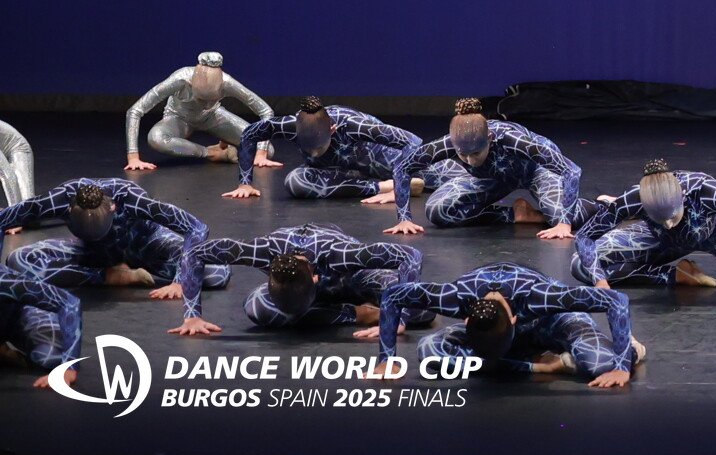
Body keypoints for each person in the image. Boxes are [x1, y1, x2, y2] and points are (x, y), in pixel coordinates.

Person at [375, 262, 640, 389]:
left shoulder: (539, 297)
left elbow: (616, 300)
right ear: (466, 320)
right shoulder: (454, 298)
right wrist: (387, 359)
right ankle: (546, 364)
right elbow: (393, 296)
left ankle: (633, 349)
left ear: (513, 320)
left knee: (602, 365)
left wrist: (620, 366)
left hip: (551, 321)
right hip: (498, 336)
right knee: (428, 351)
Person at [570, 159, 716, 302]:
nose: (669, 224)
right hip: (659, 240)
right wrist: (601, 283)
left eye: (672, 217)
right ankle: (676, 275)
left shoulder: (707, 192)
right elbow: (584, 237)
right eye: (661, 219)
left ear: (682, 198)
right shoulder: (634, 199)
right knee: (581, 266)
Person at [170, 226, 423, 337]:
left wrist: (399, 320)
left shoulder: (340, 255)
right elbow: (194, 253)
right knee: (256, 307)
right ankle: (360, 314)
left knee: (420, 311)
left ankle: (374, 310)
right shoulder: (262, 252)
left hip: (351, 279)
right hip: (309, 292)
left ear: (315, 278)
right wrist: (191, 315)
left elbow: (410, 255)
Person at [384, 99, 581, 237]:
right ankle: (517, 214)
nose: (469, 161)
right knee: (438, 211)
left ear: (489, 139)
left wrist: (564, 223)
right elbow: (403, 169)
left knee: (561, 217)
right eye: (463, 155)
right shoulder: (449, 144)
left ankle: (596, 205)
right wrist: (404, 219)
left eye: (476, 153)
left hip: (536, 171)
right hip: (492, 177)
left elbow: (571, 170)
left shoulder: (511, 140)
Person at [0, 177, 207, 303]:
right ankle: (109, 276)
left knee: (213, 273)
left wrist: (180, 281)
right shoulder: (60, 199)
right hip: (94, 254)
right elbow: (3, 219)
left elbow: (196, 227)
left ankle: (139, 272)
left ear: (113, 208)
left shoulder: (131, 199)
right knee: (19, 260)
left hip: (144, 246)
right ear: (69, 210)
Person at [223, 98, 421, 206]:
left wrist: (399, 187)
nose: (314, 154)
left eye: (318, 147)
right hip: (341, 171)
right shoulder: (291, 126)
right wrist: (245, 183)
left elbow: (412, 141)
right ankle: (380, 187)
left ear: (332, 130)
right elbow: (250, 134)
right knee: (295, 182)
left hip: (380, 159)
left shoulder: (352, 125)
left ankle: (398, 183)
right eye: (308, 149)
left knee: (431, 176)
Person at [124, 51, 272, 172]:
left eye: (210, 99)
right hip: (179, 118)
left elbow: (266, 111)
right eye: (200, 99)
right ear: (191, 84)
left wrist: (261, 154)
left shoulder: (227, 83)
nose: (204, 103)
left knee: (266, 149)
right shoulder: (180, 79)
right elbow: (135, 110)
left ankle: (225, 149)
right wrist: (133, 157)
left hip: (213, 116)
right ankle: (212, 153)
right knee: (156, 138)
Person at [0, 264, 82, 378]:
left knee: (48, 356)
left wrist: (69, 367)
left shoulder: (6, 282)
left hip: (18, 316)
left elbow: (69, 302)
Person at [0, 118, 33, 207]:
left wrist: (14, 209)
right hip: (3, 147)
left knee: (27, 203)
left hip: (18, 147)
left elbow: (9, 177)